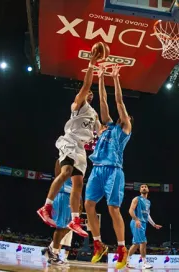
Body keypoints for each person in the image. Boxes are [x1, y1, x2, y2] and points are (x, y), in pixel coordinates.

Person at [37, 52, 101, 238]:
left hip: (81, 148)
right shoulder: (78, 104)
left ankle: (75, 219)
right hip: (70, 141)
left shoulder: (94, 113)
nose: (89, 93)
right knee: (65, 173)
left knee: (79, 184)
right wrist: (92, 64)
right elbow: (87, 84)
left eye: (91, 93)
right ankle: (46, 207)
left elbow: (101, 131)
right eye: (86, 91)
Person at [84, 65, 133, 270]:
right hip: (97, 169)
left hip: (113, 171)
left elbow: (118, 101)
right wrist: (102, 77)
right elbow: (104, 100)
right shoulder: (107, 126)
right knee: (88, 205)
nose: (123, 115)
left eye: (127, 116)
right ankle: (98, 244)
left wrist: (116, 78)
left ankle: (121, 249)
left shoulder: (124, 131)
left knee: (113, 209)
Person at [43, 160, 78, 266]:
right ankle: (54, 253)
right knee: (60, 227)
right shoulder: (63, 161)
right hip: (63, 196)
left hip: (72, 197)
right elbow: (58, 173)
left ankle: (51, 248)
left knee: (69, 227)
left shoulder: (77, 167)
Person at [126, 184, 162, 269]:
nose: (144, 187)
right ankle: (144, 263)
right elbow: (130, 210)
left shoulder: (148, 202)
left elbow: (147, 215)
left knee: (135, 244)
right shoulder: (137, 199)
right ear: (140, 190)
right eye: (142, 187)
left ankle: (127, 261)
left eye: (145, 186)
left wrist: (154, 224)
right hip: (137, 222)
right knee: (143, 242)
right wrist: (136, 219)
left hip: (143, 223)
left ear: (148, 190)